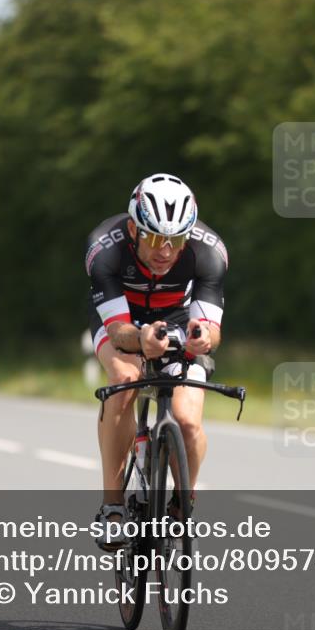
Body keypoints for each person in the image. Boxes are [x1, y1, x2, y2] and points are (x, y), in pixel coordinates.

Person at [84, 173, 227, 549]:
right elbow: (118, 334)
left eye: (176, 240)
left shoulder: (209, 252)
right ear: (133, 229)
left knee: (187, 421)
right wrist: (141, 339)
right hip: (122, 319)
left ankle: (182, 503)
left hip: (178, 321)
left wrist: (202, 339)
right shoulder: (105, 248)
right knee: (124, 376)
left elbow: (212, 333)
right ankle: (112, 508)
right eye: (154, 238)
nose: (165, 250)